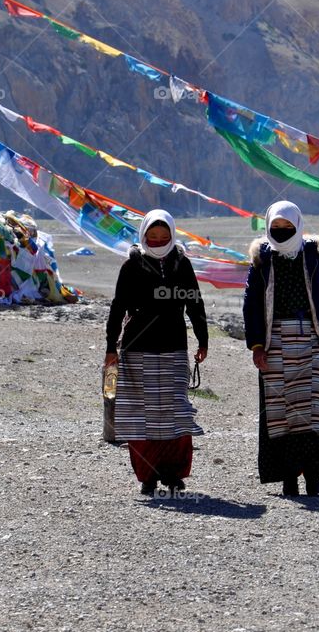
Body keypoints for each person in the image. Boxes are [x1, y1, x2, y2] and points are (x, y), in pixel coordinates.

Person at [243, 201, 319, 497]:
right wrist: (256, 346)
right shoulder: (261, 259)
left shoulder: (313, 255)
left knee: (309, 408)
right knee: (280, 411)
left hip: (308, 341)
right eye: (275, 227)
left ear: (297, 225)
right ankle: (288, 477)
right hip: (273, 341)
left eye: (286, 227)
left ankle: (313, 476)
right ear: (267, 227)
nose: (280, 232)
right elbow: (251, 305)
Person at [105, 210, 209, 495]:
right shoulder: (131, 266)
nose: (159, 241)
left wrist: (203, 340)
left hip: (174, 347)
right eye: (153, 236)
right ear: (144, 236)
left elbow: (195, 304)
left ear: (172, 236)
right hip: (137, 350)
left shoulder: (182, 265)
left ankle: (174, 474)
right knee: (142, 414)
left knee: (175, 410)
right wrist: (110, 348)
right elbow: (117, 308)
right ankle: (147, 476)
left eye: (164, 237)